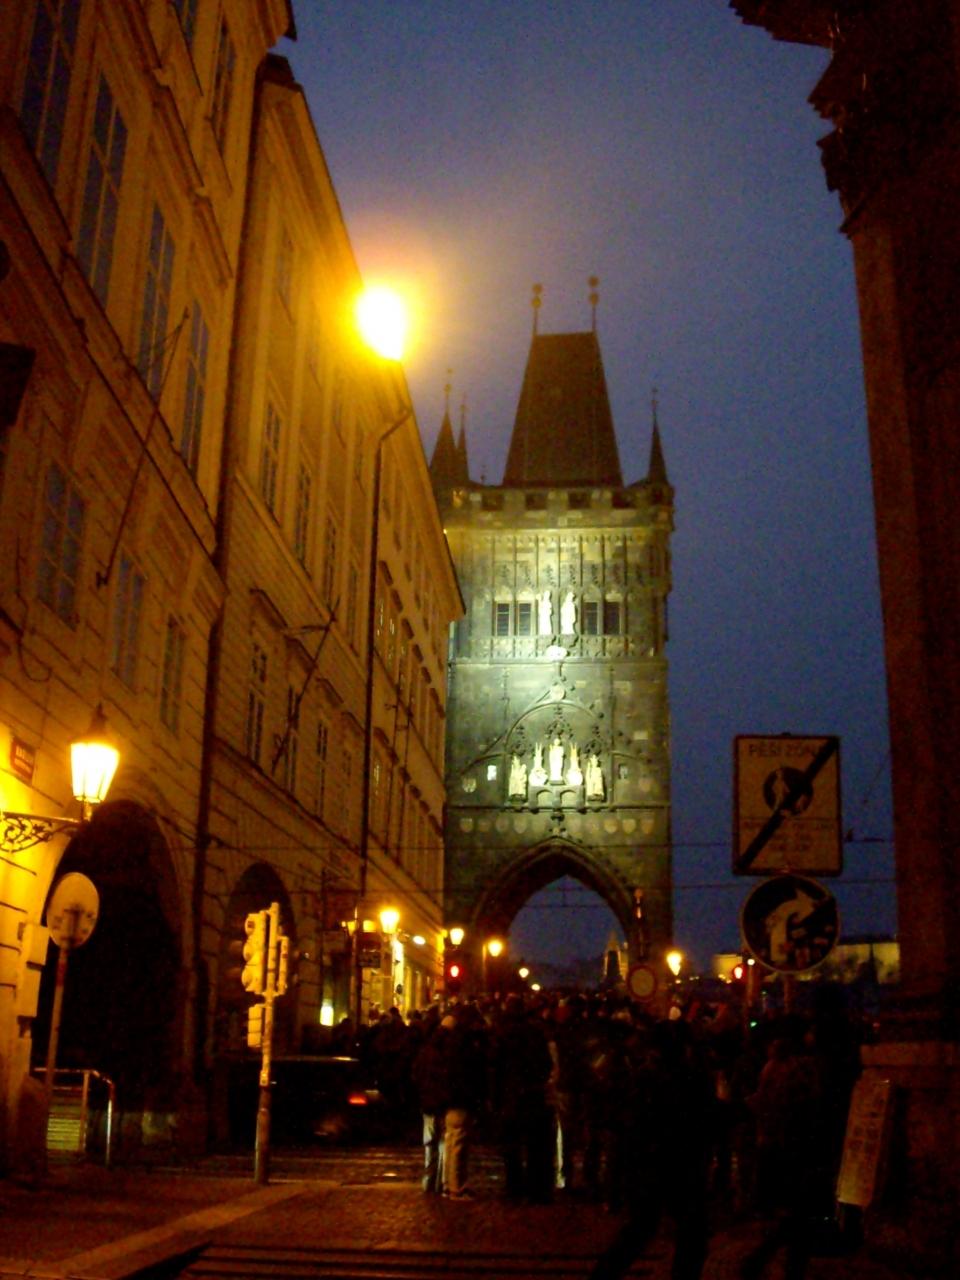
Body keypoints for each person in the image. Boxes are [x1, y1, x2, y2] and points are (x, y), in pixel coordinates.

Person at [587, 1017, 715, 1280]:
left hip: (653, 1163)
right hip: (676, 1163)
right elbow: (702, 1116)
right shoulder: (686, 1077)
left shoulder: (646, 1076)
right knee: (685, 1232)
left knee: (644, 1229)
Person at [490, 994, 555, 1202]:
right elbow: (546, 1064)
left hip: (510, 1095)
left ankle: (514, 1188)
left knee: (511, 1148)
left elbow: (495, 1068)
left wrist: (495, 1096)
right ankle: (536, 1189)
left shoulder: (502, 1034)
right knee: (535, 1146)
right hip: (532, 1094)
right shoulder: (535, 1032)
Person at [412, 1013, 448, 1194]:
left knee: (430, 1144)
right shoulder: (443, 1053)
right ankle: (439, 1182)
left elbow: (415, 1076)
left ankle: (428, 1182)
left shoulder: (424, 1052)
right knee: (442, 1144)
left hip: (427, 1103)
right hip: (440, 1103)